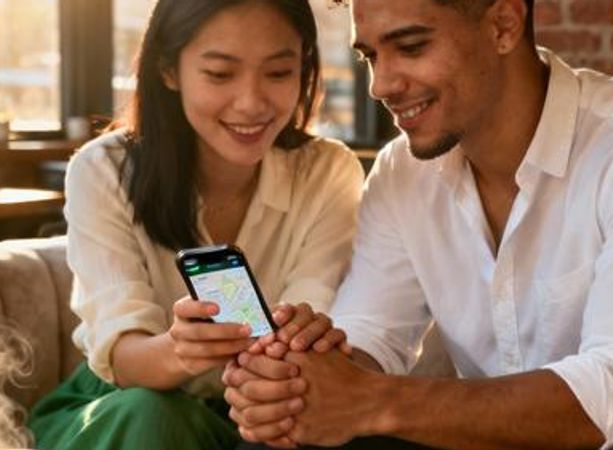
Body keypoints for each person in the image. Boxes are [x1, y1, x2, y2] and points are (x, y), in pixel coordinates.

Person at [223, 0, 613, 449]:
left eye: (411, 46)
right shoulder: (403, 172)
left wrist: (370, 400)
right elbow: (371, 334)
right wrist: (296, 381)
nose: (380, 85)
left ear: (503, 24)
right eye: (370, 56)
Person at [26, 0, 365, 449]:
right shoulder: (103, 170)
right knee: (153, 414)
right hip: (124, 405)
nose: (251, 103)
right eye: (220, 74)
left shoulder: (327, 173)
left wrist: (285, 360)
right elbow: (124, 356)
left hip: (261, 408)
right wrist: (179, 350)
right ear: (168, 70)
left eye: (279, 73)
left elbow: (308, 332)